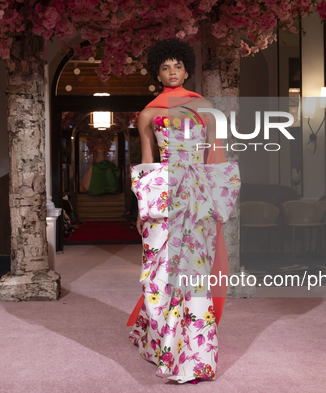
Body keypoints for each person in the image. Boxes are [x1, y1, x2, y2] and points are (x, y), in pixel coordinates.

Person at [127, 39, 241, 383]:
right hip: (162, 199)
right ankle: (161, 342)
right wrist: (141, 207)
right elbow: (148, 162)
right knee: (157, 276)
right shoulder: (147, 113)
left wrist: (216, 202)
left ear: (188, 69)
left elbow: (214, 156)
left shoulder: (204, 106)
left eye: (178, 66)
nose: (172, 72)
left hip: (196, 197)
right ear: (156, 73)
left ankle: (193, 358)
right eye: (165, 67)